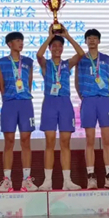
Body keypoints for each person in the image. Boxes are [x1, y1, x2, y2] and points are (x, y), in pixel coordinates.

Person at [36, 25, 85, 191]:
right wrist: (50, 37)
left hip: (65, 103)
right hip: (50, 103)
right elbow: (39, 55)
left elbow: (81, 54)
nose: (57, 48)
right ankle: (47, 181)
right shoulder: (46, 64)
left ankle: (67, 181)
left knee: (65, 142)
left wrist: (67, 36)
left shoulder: (67, 64)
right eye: (54, 46)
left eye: (60, 46)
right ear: (50, 48)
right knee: (50, 142)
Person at [75, 29, 109, 190]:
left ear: (99, 41)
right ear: (85, 41)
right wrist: (84, 97)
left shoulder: (106, 59)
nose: (92, 40)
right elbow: (77, 81)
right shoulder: (81, 59)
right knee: (90, 139)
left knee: (107, 139)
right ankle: (91, 177)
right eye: (89, 38)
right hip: (88, 100)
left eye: (95, 38)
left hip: (104, 100)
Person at [0, 32, 37, 192]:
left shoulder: (28, 62)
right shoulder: (1, 63)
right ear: (9, 44)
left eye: (22, 40)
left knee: (26, 140)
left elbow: (29, 83)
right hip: (9, 104)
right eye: (17, 41)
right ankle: (7, 180)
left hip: (25, 103)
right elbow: (1, 87)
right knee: (9, 141)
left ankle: (27, 180)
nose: (20, 43)